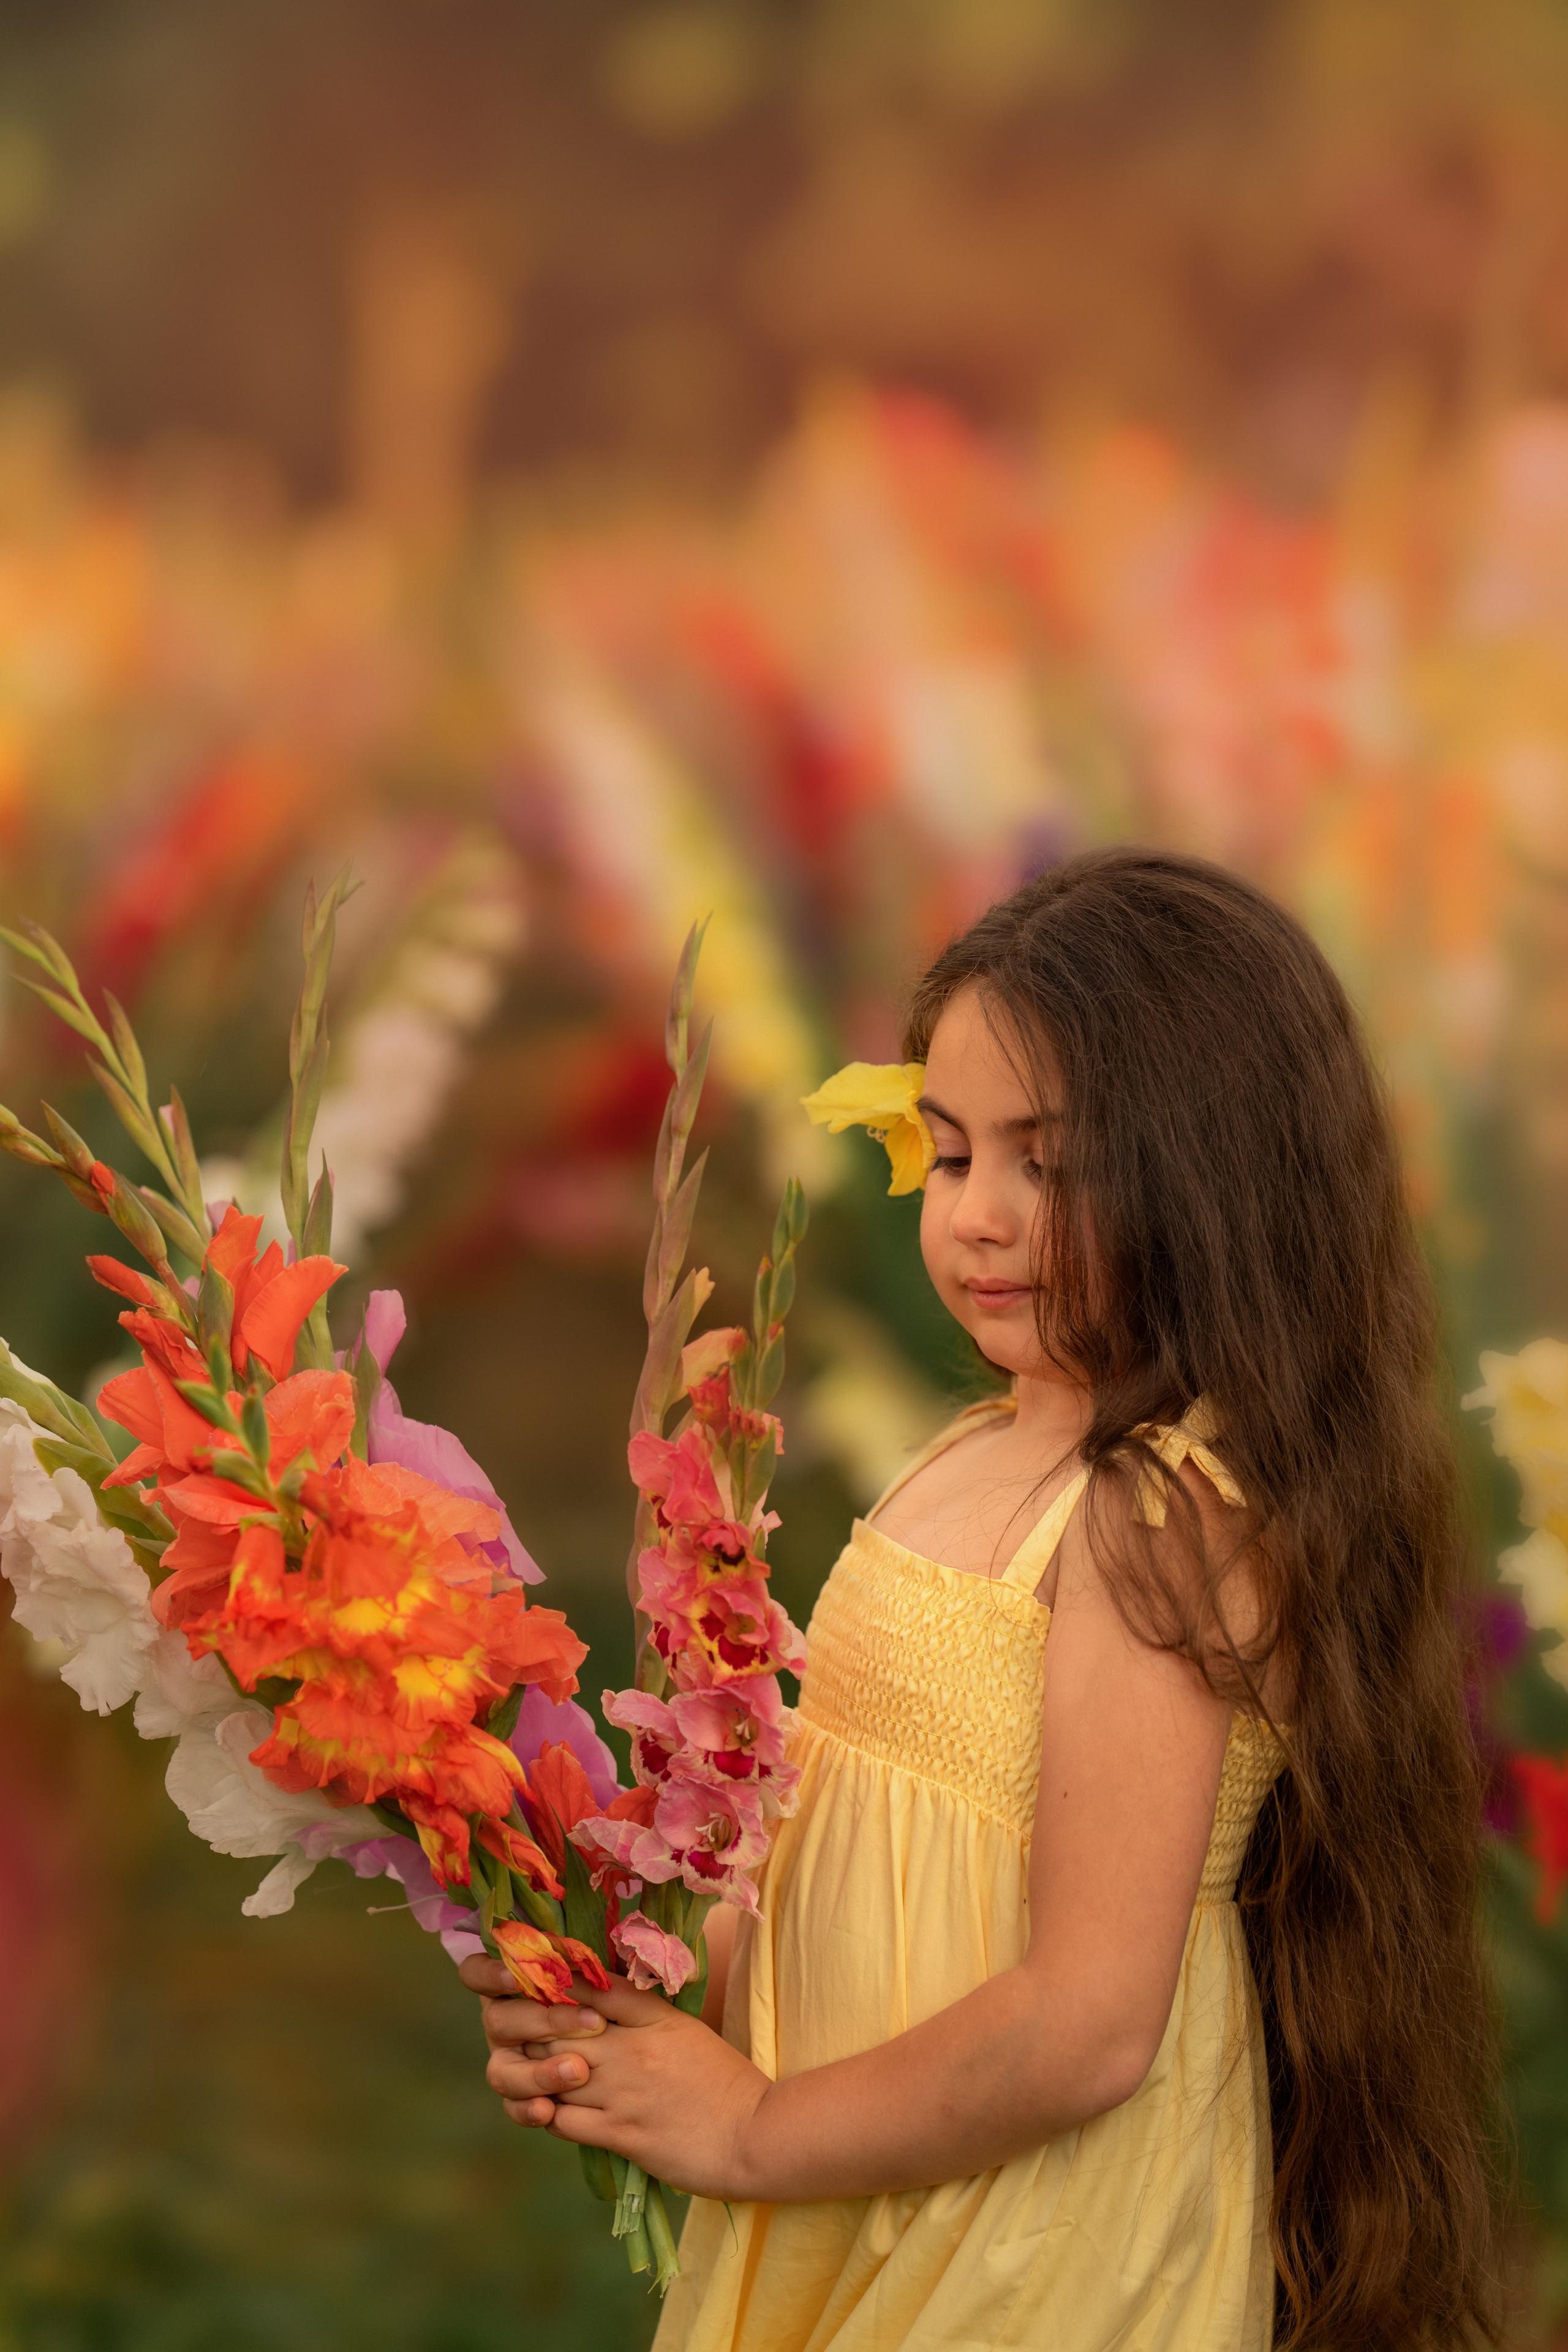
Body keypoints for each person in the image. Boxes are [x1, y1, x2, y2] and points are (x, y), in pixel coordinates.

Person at [461, 847, 1502, 2350]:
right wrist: (640, 2021)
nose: (979, 1217)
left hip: (1028, 2250)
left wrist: (752, 2133)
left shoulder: (1156, 1518)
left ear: (1220, 1177)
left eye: (1050, 1165)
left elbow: (1082, 2024)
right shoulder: (966, 1455)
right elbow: (855, 1872)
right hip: (869, 2191)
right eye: (951, 1156)